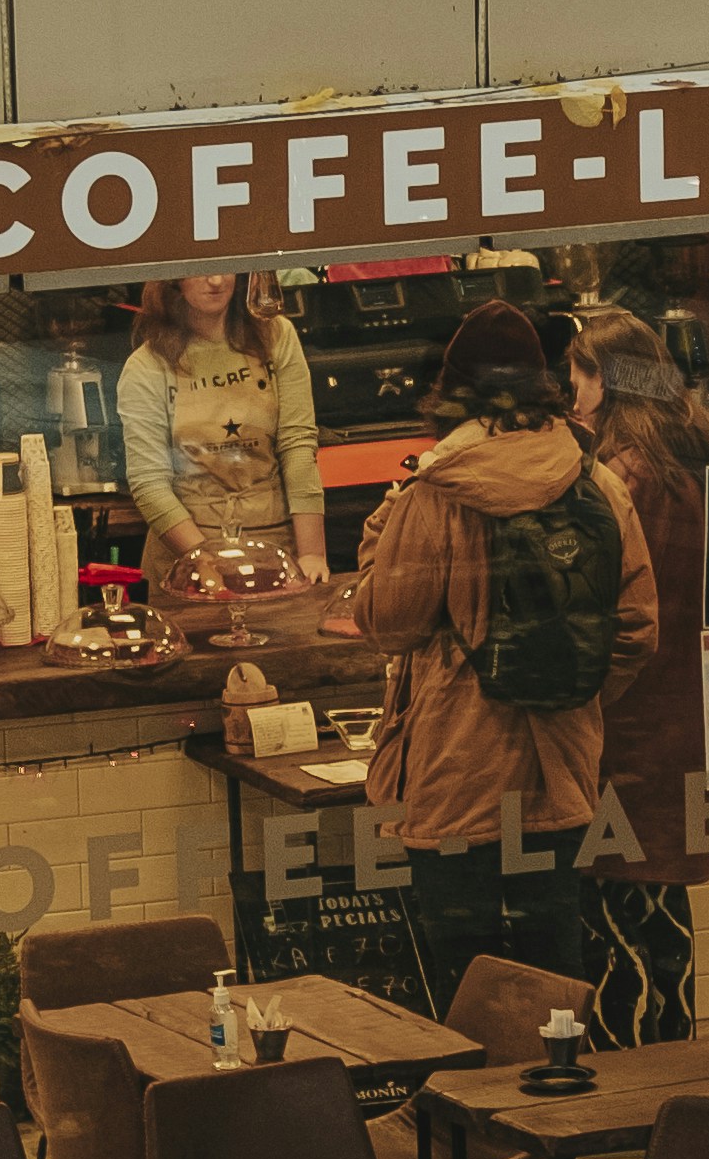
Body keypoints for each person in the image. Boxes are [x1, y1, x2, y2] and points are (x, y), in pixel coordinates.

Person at [350, 297, 650, 1003]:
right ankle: (569, 1106)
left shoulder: (439, 492)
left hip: (457, 773)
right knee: (556, 966)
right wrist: (568, 691)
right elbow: (639, 629)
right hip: (563, 766)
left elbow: (387, 621)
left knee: (466, 980)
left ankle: (476, 1112)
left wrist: (384, 525)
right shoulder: (598, 480)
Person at [567, 299, 709, 1044]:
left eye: (580, 378)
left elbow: (603, 609)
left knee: (615, 916)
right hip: (690, 714)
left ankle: (630, 1076)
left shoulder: (615, 477)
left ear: (608, 383)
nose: (572, 395)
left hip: (626, 721)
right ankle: (675, 1054)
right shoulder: (692, 458)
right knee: (663, 910)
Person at [117, 265, 321, 577]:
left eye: (226, 268)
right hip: (187, 558)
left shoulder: (276, 335)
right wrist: (210, 563)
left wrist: (312, 554)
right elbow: (148, 483)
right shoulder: (146, 366)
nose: (215, 281)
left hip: (274, 548)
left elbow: (298, 444)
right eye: (200, 270)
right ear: (172, 278)